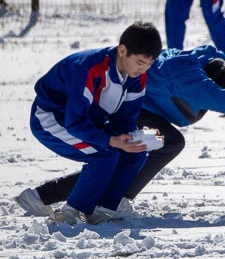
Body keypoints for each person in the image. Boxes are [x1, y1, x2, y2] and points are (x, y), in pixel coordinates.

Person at [16, 45, 225, 220]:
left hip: (145, 108)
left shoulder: (213, 59)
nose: (210, 110)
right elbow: (220, 97)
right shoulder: (191, 78)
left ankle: (56, 196)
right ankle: (68, 197)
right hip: (133, 107)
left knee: (139, 153)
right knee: (143, 151)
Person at [24, 21, 163, 225]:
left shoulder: (136, 76)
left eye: (149, 64)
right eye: (141, 62)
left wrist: (134, 139)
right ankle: (72, 212)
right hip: (51, 118)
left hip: (85, 121)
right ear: (122, 50)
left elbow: (124, 119)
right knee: (105, 153)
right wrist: (111, 140)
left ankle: (102, 206)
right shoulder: (90, 68)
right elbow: (75, 121)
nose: (144, 69)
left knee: (136, 151)